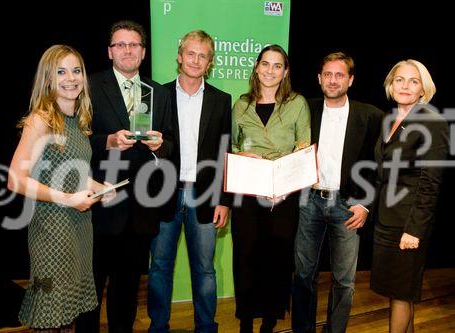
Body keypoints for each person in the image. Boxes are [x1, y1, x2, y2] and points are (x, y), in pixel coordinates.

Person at [8, 44, 115, 332]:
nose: (71, 78)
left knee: (68, 314)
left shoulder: (78, 122)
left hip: (80, 230)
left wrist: (100, 186)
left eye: (76, 70)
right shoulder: (40, 121)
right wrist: (68, 199)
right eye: (61, 72)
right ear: (48, 79)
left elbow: (72, 173)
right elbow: (15, 179)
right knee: (49, 313)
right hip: (51, 232)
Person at [75, 20, 173, 333]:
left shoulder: (159, 92)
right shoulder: (89, 86)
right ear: (109, 51)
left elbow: (172, 142)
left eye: (133, 45)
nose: (127, 50)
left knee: (127, 289)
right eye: (120, 44)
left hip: (140, 207)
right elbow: (74, 139)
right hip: (99, 202)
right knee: (90, 286)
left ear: (143, 52)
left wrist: (161, 145)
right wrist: (108, 141)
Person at [147, 30, 232, 333]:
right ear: (180, 56)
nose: (196, 60)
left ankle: (206, 327)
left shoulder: (222, 101)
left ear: (210, 63)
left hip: (205, 196)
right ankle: (158, 327)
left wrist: (225, 199)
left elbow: (225, 151)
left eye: (203, 55)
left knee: (205, 271)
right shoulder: (159, 95)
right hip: (164, 194)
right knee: (159, 268)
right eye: (191, 53)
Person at [292, 52, 383, 333]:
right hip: (309, 201)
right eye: (327, 74)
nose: (333, 80)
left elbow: (378, 166)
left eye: (339, 75)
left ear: (351, 80)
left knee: (344, 280)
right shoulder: (304, 109)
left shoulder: (371, 116)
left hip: (348, 206)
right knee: (304, 274)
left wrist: (366, 204)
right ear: (319, 79)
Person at [231, 44, 311, 333]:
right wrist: (242, 155)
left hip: (284, 196)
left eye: (278, 65)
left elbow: (303, 149)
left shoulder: (297, 103)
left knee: (276, 258)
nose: (270, 70)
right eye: (265, 64)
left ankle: (270, 319)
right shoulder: (240, 104)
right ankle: (246, 320)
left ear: (285, 71)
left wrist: (284, 186)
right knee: (245, 256)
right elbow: (231, 148)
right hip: (248, 193)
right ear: (256, 67)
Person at [370, 59, 449, 333]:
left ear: (423, 90)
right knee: (399, 292)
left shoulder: (432, 122)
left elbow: (430, 182)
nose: (405, 86)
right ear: (391, 85)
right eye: (400, 80)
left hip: (408, 225)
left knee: (401, 294)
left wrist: (414, 230)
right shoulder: (390, 119)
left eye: (413, 81)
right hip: (387, 220)